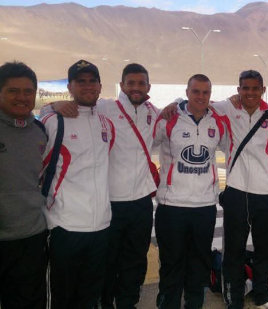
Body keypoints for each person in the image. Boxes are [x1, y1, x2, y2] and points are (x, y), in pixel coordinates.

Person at [44, 63, 159, 308]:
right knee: (107, 265)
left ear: (148, 86)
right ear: (121, 85)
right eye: (131, 83)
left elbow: (187, 112)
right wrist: (52, 105)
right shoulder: (105, 107)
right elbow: (48, 116)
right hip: (109, 203)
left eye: (141, 83)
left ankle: (128, 302)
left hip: (139, 202)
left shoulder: (154, 112)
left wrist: (177, 106)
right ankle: (106, 303)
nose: (136, 88)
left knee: (135, 260)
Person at [213, 70, 268, 309]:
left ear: (262, 90)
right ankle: (234, 298)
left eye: (254, 88)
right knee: (234, 249)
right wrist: (229, 100)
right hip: (236, 190)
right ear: (238, 90)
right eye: (245, 88)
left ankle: (262, 295)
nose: (250, 93)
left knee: (266, 248)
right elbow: (201, 103)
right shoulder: (228, 110)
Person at [41, 59, 115, 308]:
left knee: (90, 295)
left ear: (100, 85)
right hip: (65, 226)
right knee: (62, 297)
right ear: (70, 86)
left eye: (92, 81)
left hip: (101, 226)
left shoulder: (106, 124)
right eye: (80, 81)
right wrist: (50, 107)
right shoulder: (53, 122)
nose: (87, 86)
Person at [153, 74, 227, 309]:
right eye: (196, 92)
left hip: (204, 206)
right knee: (171, 265)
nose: (201, 97)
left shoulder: (217, 122)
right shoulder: (168, 119)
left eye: (205, 92)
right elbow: (142, 143)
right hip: (172, 206)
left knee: (199, 265)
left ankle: (194, 305)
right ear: (187, 93)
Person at [0, 61, 48, 308]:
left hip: (31, 237)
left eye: (28, 91)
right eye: (13, 91)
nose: (22, 97)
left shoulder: (40, 132)